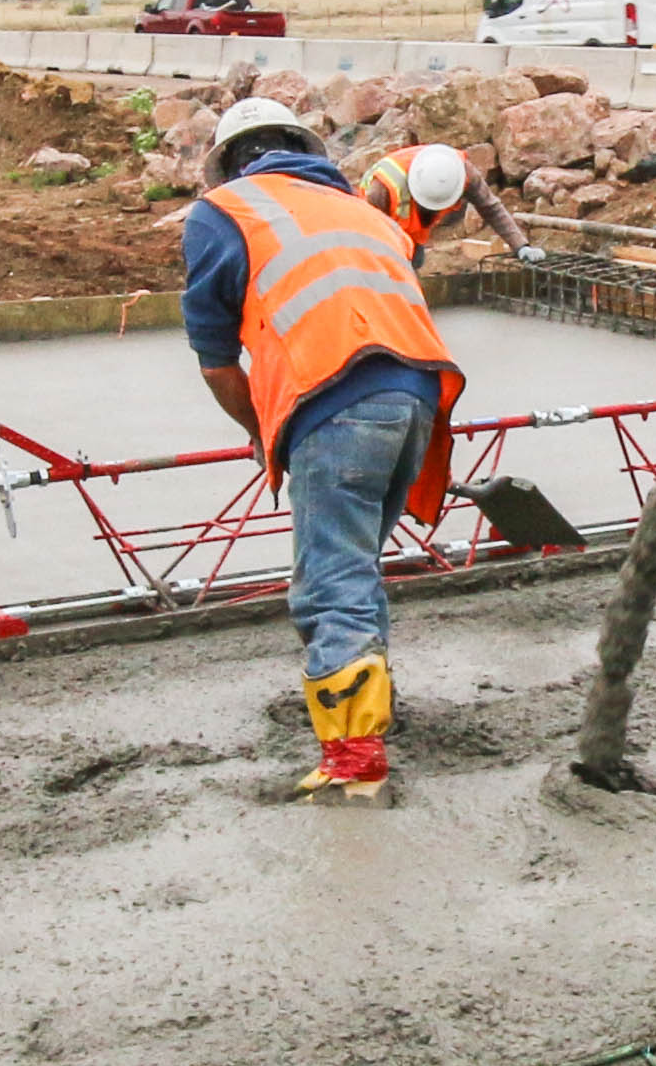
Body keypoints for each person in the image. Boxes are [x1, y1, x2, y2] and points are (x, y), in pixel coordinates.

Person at [178, 94, 463, 804]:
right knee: (356, 565)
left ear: (228, 163)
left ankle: (355, 760)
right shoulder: (366, 213)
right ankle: (372, 712)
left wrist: (260, 430)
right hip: (418, 396)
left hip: (337, 399)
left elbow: (217, 360)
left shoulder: (227, 211)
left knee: (330, 580)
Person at [354, 138, 532, 263]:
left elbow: (491, 208)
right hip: (376, 228)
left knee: (415, 262)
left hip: (413, 228)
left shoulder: (460, 173)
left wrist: (520, 246)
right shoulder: (381, 192)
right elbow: (372, 243)